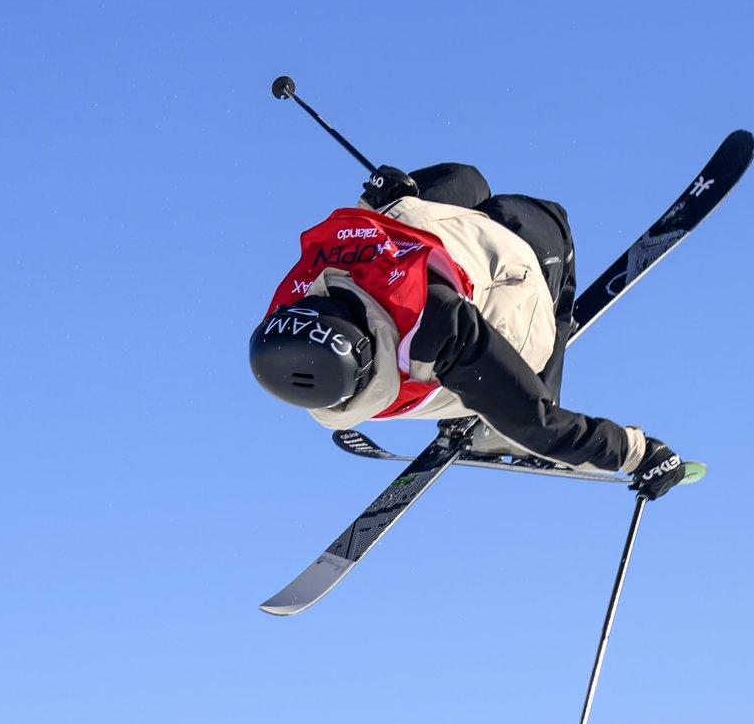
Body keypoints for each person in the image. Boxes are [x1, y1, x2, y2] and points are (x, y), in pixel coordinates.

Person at [249, 161, 686, 495]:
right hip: (510, 279)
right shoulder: (436, 329)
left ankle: (485, 402)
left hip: (439, 282)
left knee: (467, 179)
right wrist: (638, 452)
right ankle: (492, 420)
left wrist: (388, 195)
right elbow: (539, 424)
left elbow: (359, 225)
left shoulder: (295, 297)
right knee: (548, 221)